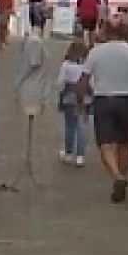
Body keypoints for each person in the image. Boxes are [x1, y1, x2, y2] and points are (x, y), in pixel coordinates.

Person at [76, 18, 128, 204]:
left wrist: (80, 101)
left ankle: (117, 175)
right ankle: (123, 174)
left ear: (106, 32)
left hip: (104, 100)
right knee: (126, 142)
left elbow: (84, 79)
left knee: (105, 143)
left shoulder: (96, 53)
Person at [56, 39, 89, 167]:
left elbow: (60, 82)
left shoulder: (66, 65)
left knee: (70, 126)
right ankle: (80, 155)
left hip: (69, 95)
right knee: (82, 126)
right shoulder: (86, 65)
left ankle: (69, 153)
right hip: (84, 95)